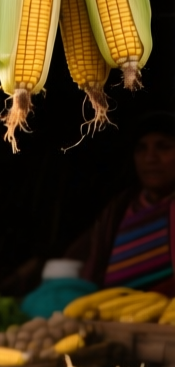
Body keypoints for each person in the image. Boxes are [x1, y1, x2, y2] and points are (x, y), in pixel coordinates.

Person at [67, 113, 175, 292]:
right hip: (112, 315)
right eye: (141, 149)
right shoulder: (118, 210)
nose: (150, 158)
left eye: (163, 147)